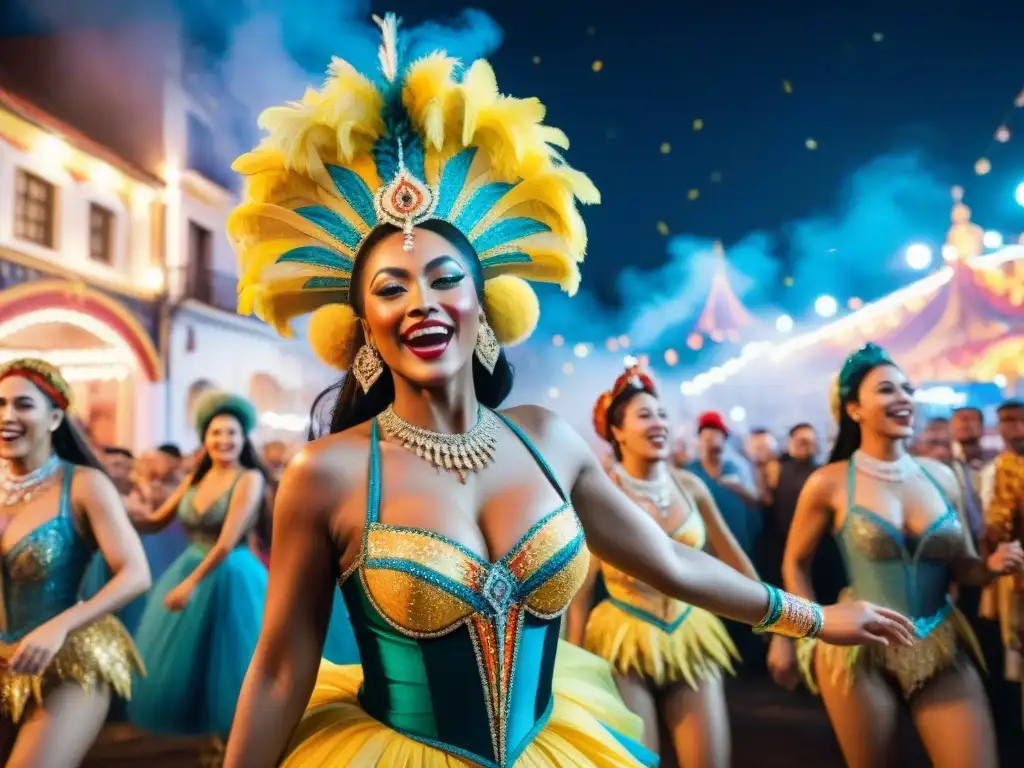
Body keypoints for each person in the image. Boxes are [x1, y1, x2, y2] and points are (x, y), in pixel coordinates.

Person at [221, 16, 915, 768]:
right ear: (365, 328)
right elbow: (281, 670)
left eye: (446, 279)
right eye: (392, 289)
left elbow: (675, 565)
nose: (422, 300)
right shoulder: (325, 474)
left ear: (483, 308)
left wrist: (813, 619)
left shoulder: (545, 439)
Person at [776, 344, 1024, 768]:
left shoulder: (941, 476)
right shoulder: (828, 482)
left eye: (908, 389)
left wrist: (991, 567)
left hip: (939, 640)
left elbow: (963, 568)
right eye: (887, 390)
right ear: (854, 408)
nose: (904, 398)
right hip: (858, 649)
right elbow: (794, 563)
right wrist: (800, 631)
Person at [567, 364, 756, 766]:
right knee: (638, 760)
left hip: (690, 630)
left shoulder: (691, 486)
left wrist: (779, 622)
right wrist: (576, 672)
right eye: (645, 415)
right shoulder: (599, 493)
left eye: (663, 414)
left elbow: (734, 559)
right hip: (620, 640)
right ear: (617, 433)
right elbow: (580, 591)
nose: (659, 423)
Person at [0, 359, 151, 766]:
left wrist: (57, 627)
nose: (7, 416)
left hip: (68, 657)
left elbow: (136, 573)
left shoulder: (84, 485)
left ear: (54, 418)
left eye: (23, 405)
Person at [126, 391, 270, 740]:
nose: (224, 440)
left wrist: (191, 584)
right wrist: (115, 514)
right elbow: (157, 521)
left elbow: (225, 542)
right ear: (205, 439)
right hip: (190, 563)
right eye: (216, 433)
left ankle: (234, 746)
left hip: (230, 571)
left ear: (243, 438)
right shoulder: (195, 479)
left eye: (232, 433)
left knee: (230, 659)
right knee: (185, 662)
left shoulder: (249, 478)